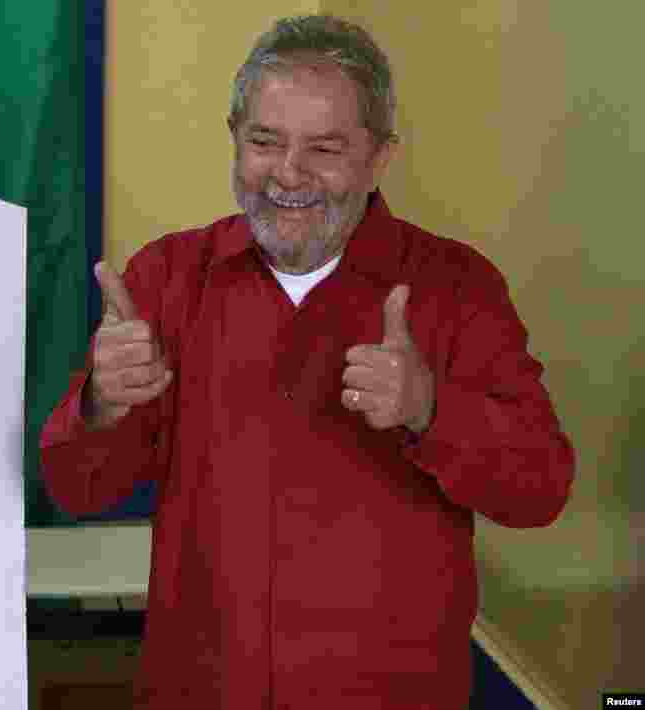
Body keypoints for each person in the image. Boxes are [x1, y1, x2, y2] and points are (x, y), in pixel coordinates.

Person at [40, 13, 575, 709]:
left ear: (379, 158)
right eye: (265, 141)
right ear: (236, 139)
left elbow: (541, 488)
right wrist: (101, 404)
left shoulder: (456, 288)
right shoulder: (169, 277)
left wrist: (430, 411)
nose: (287, 174)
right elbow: (77, 491)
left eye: (324, 148)